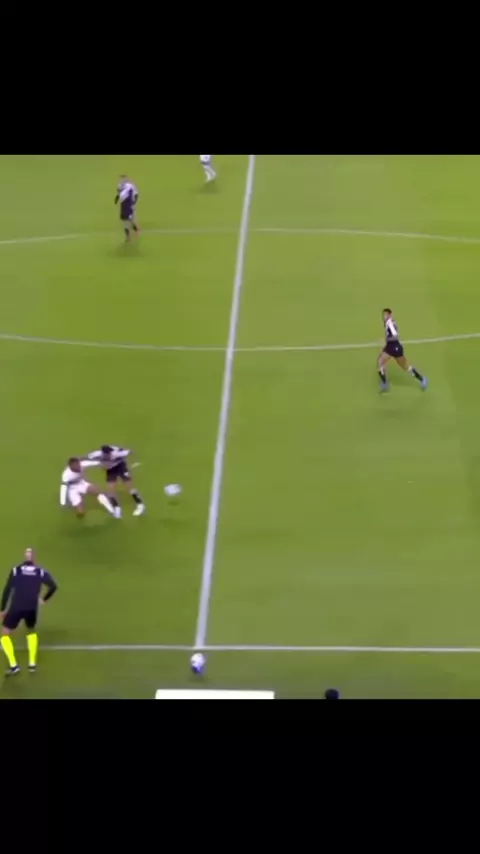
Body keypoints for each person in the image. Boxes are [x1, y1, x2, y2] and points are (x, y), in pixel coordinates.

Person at [0, 548, 57, 675]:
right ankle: (32, 664)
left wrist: (2, 609)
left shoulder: (16, 571)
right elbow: (53, 586)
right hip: (32, 608)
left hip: (16, 607)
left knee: (5, 633)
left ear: (25, 558)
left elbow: (7, 590)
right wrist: (44, 599)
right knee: (31, 631)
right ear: (34, 558)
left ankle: (14, 666)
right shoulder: (40, 572)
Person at [378, 309, 428, 392]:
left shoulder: (390, 323)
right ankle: (385, 383)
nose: (384, 317)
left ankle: (422, 379)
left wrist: (386, 340)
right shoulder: (387, 323)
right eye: (383, 315)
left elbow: (395, 335)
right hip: (389, 347)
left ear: (389, 315)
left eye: (385, 315)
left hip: (395, 347)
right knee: (380, 362)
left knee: (405, 367)